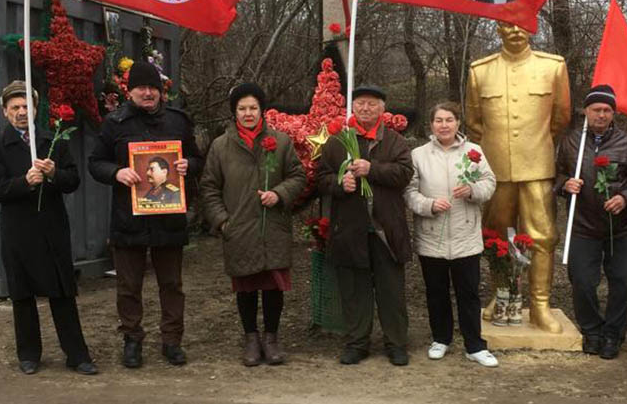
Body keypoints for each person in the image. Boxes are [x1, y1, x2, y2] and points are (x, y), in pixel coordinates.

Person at [88, 60, 203, 368]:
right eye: (141, 88)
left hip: (169, 217)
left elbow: (197, 158)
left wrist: (188, 166)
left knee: (172, 284)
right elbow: (95, 163)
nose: (148, 93)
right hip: (129, 218)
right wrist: (116, 172)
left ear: (161, 91)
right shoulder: (115, 123)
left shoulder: (178, 121)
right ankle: (132, 340)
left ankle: (172, 341)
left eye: (153, 87)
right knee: (128, 286)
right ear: (130, 91)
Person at [0, 81, 97, 375]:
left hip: (51, 227)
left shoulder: (53, 140)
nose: (21, 112)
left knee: (62, 293)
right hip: (18, 231)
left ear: (35, 109)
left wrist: (54, 172)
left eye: (26, 106)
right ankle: (29, 354)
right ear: (5, 111)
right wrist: (24, 182)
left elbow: (73, 181)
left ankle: (77, 355)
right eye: (15, 108)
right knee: (22, 294)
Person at [465, 22, 570, 333]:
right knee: (496, 234)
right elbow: (474, 121)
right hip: (496, 169)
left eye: (521, 23)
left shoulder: (552, 67)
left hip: (537, 166)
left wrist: (533, 146)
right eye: (506, 24)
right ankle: (503, 297)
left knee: (542, 236)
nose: (514, 30)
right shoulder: (480, 71)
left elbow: (561, 117)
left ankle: (540, 305)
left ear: (532, 27)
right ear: (498, 28)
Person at [200, 83, 306, 366]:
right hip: (239, 229)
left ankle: (271, 339)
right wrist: (223, 222)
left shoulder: (280, 141)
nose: (248, 113)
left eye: (253, 108)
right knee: (245, 287)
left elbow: (298, 176)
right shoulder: (220, 146)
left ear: (262, 110)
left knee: (273, 286)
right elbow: (209, 187)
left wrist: (279, 194)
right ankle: (251, 338)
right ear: (234, 112)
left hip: (273, 227)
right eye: (242, 108)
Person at [318, 84, 414, 366]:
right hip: (351, 229)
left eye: (372, 104)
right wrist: (340, 183)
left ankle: (396, 343)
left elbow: (405, 173)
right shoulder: (338, 142)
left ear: (383, 109)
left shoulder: (395, 141)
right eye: (360, 103)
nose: (366, 108)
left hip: (386, 230)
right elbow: (321, 178)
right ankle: (357, 343)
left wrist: (373, 169)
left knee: (391, 291)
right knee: (354, 291)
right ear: (353, 107)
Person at [555, 85, 627, 359]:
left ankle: (613, 335)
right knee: (582, 282)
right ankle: (592, 332)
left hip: (621, 228)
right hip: (583, 225)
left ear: (613, 113)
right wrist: (565, 184)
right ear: (586, 111)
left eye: (607, 110)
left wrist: (625, 197)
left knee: (621, 283)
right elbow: (556, 175)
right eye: (596, 109)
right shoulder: (571, 142)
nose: (601, 115)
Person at [404, 101, 498, 367]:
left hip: (465, 235)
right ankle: (441, 339)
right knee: (436, 292)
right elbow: (409, 192)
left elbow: (489, 182)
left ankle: (475, 345)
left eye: (449, 120)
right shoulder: (419, 155)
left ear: (458, 123)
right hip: (431, 235)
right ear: (431, 125)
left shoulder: (474, 151)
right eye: (438, 120)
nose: (444, 125)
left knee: (468, 293)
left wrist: (472, 191)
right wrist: (429, 205)